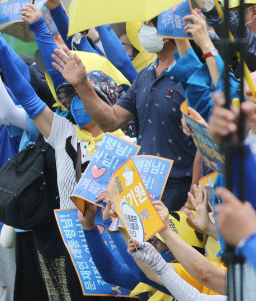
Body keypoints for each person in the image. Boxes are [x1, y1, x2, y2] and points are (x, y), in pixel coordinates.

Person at [49, 20, 196, 211]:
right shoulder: (145, 75)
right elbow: (111, 120)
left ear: (169, 27)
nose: (144, 29)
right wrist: (82, 84)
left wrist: (194, 194)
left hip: (181, 188)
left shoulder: (191, 74)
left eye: (150, 23)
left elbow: (204, 139)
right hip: (146, 188)